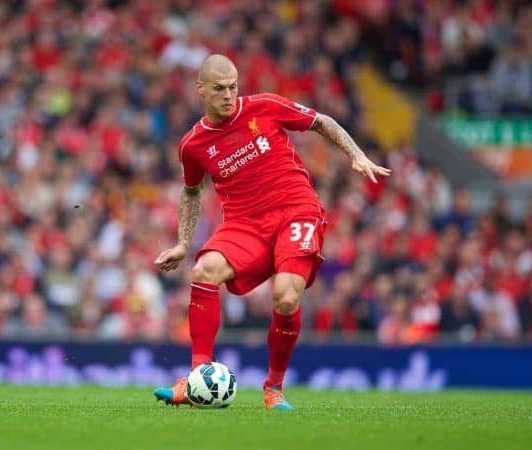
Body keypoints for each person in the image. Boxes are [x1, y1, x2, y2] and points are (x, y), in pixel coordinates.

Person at [153, 54, 391, 410]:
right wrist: (184, 243)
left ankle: (273, 387)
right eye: (219, 89)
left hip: (296, 211)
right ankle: (196, 377)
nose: (229, 95)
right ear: (199, 89)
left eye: (234, 86)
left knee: (286, 296)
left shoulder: (264, 106)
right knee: (204, 270)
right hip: (245, 224)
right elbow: (190, 192)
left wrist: (355, 154)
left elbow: (321, 121)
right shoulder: (193, 145)